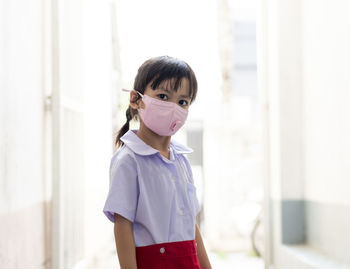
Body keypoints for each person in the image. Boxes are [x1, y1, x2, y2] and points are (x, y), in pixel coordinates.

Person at [103, 55, 212, 269]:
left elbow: (191, 225)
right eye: (163, 96)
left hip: (188, 261)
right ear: (136, 99)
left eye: (182, 102)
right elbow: (122, 226)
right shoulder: (129, 160)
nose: (173, 107)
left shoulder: (180, 159)